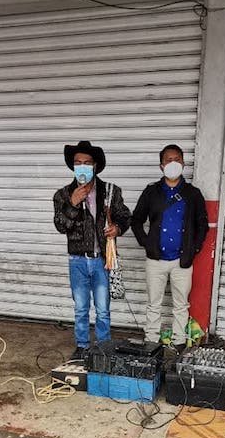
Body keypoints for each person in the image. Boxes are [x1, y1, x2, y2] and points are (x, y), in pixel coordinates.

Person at [53, 141, 131, 360]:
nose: (83, 166)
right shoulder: (62, 195)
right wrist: (73, 204)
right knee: (80, 308)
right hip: (77, 260)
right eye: (78, 163)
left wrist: (118, 228)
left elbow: (125, 216)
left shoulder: (110, 191)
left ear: (95, 165)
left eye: (87, 162)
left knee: (103, 309)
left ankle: (104, 346)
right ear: (73, 166)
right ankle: (82, 346)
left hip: (102, 260)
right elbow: (61, 226)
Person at [130, 144, 208, 351]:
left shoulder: (193, 194)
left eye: (177, 159)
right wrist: (146, 243)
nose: (173, 163)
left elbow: (203, 224)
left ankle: (179, 343)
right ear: (161, 165)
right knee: (153, 304)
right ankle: (151, 342)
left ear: (183, 163)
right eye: (168, 160)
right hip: (155, 260)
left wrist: (194, 249)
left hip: (182, 261)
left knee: (181, 305)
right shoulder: (151, 192)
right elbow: (136, 220)